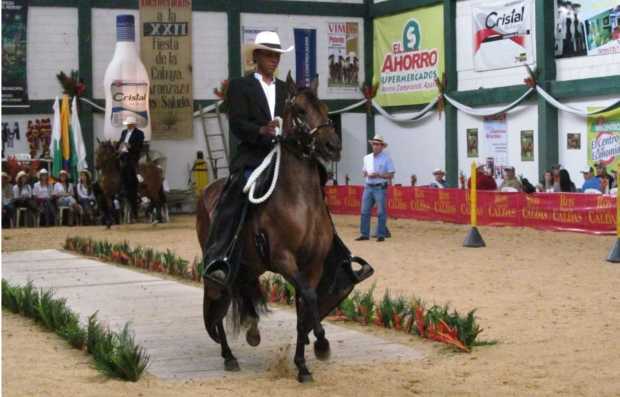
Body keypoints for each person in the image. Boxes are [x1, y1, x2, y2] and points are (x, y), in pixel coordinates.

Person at [202, 31, 293, 288]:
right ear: (256, 57)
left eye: (277, 55)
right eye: (269, 55)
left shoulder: (286, 89)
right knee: (236, 196)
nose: (274, 59)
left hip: (283, 155)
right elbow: (238, 124)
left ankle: (336, 255)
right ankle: (220, 256)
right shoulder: (240, 86)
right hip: (253, 156)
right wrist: (261, 130)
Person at [355, 135, 395, 242]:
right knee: (364, 211)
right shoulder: (366, 158)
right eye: (374, 144)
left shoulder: (387, 159)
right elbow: (364, 171)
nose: (375, 146)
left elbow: (391, 174)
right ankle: (364, 234)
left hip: (380, 187)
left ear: (382, 146)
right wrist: (365, 173)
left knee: (381, 212)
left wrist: (379, 175)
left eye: (377, 144)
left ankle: (381, 234)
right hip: (368, 186)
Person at [115, 115, 144, 221]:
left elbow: (139, 146)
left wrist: (130, 146)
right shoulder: (123, 133)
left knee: (128, 167)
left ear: (133, 124)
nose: (128, 126)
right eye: (127, 124)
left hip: (132, 156)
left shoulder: (139, 133)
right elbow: (120, 141)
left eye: (129, 124)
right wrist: (118, 145)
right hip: (122, 155)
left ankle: (129, 185)